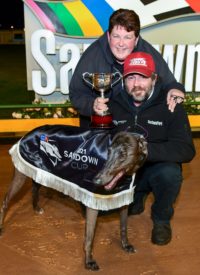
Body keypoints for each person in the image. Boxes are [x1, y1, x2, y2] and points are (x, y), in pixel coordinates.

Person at [107, 51, 195, 245]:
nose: (136, 84)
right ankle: (136, 199)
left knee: (170, 174)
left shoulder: (171, 104)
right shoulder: (113, 102)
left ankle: (161, 219)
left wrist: (143, 151)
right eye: (130, 77)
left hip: (156, 167)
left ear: (154, 78)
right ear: (123, 80)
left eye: (143, 77)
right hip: (126, 171)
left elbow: (186, 149)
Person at [69, 8, 185, 128]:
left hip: (134, 128)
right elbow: (76, 93)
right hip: (98, 127)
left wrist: (174, 90)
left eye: (127, 37)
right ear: (108, 36)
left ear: (136, 39)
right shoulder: (93, 55)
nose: (121, 43)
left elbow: (170, 83)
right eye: (116, 36)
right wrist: (92, 105)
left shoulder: (147, 52)